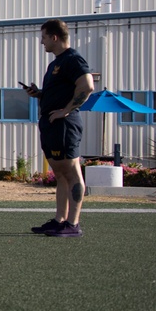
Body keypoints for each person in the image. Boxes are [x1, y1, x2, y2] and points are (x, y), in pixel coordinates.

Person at [23, 19, 94, 237]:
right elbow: (59, 92)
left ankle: (73, 224)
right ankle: (59, 220)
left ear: (54, 37)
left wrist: (66, 110)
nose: (41, 42)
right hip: (51, 123)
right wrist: (40, 94)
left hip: (64, 124)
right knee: (60, 173)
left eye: (43, 37)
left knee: (71, 171)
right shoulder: (55, 63)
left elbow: (87, 85)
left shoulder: (72, 59)